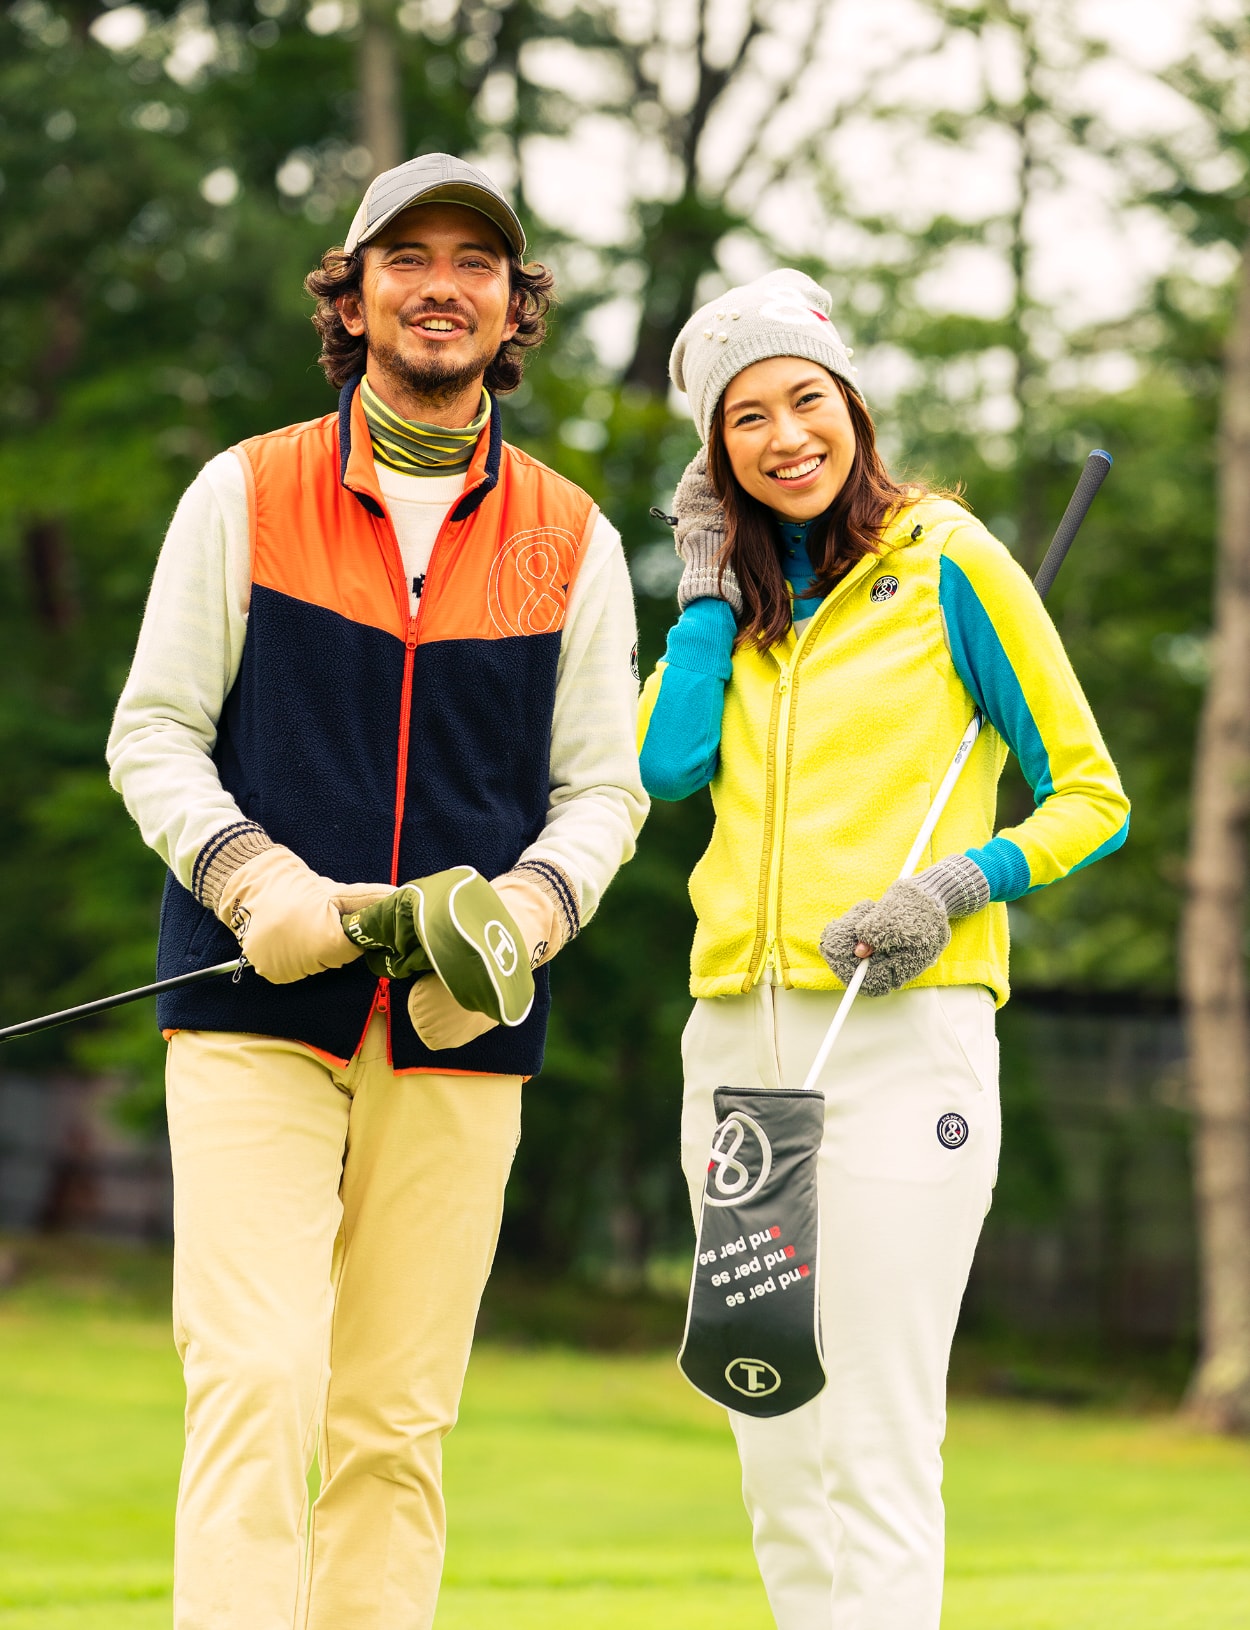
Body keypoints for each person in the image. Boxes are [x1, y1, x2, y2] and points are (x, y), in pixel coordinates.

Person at [106, 152, 647, 1630]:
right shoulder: (245, 490)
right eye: (407, 257)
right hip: (252, 999)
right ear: (350, 298)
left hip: (461, 1030)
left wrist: (530, 914)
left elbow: (604, 792)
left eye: (477, 261)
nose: (442, 285)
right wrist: (249, 878)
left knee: (395, 1423)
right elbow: (154, 733)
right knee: (259, 1377)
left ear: (515, 307)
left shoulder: (573, 537)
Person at [638, 268, 1129, 1630]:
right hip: (740, 1057)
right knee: (772, 1434)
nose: (784, 436)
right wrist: (703, 591)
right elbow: (667, 766)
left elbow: (1088, 793)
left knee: (872, 1433)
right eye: (745, 418)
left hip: (900, 1040)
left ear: (850, 405)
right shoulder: (736, 605)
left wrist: (957, 884)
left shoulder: (949, 557)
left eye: (806, 400)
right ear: (715, 453)